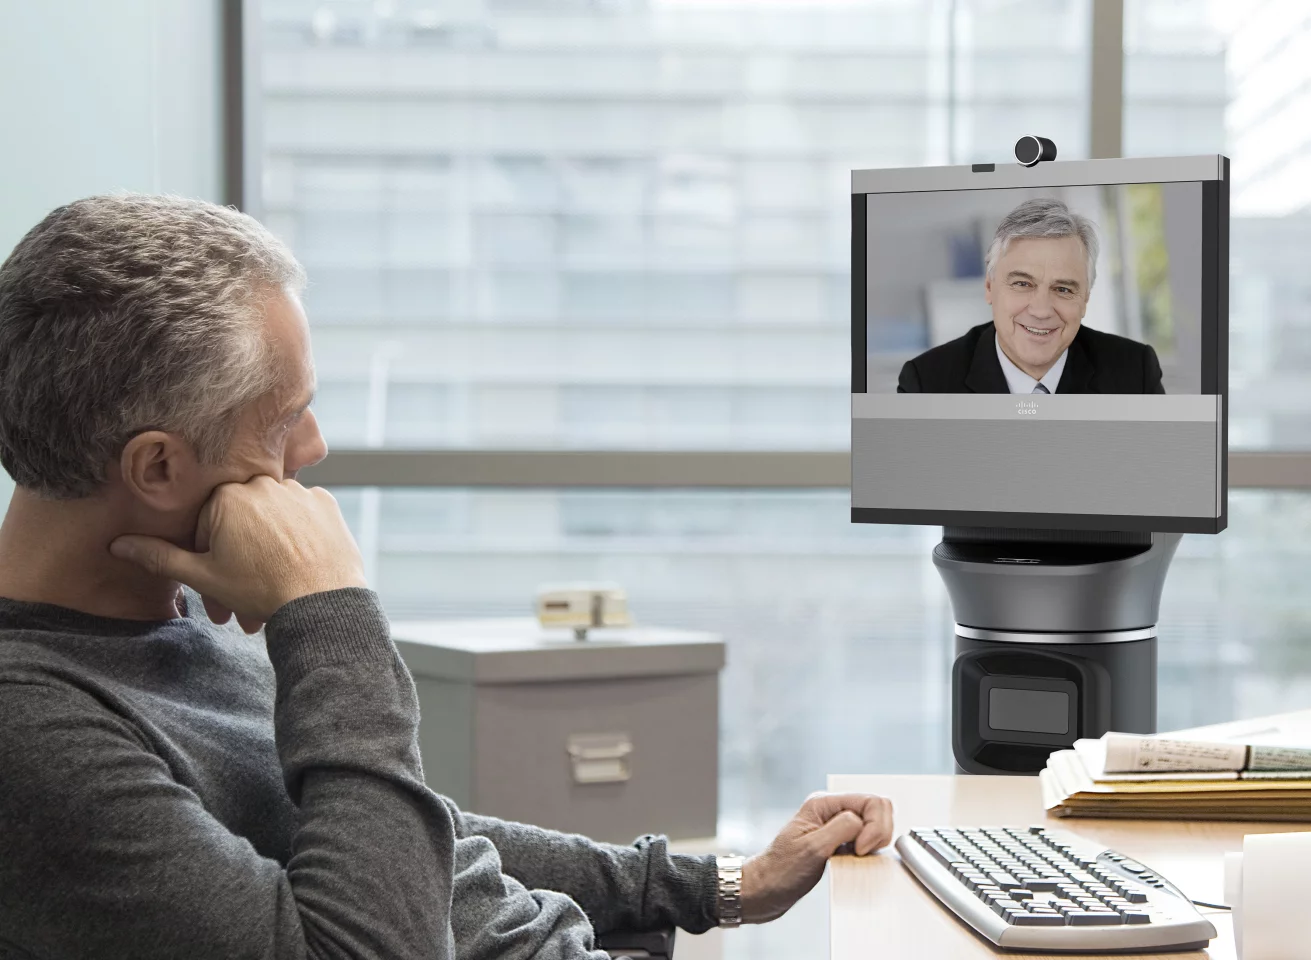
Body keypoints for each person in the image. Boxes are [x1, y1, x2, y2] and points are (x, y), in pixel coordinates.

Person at [0, 195, 894, 959]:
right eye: (286, 419)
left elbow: (395, 837)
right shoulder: (33, 734)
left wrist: (724, 885)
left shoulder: (177, 613)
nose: (315, 451)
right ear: (156, 470)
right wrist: (328, 614)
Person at [897, 198, 1165, 395]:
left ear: (1085, 299)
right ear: (989, 287)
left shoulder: (1134, 372)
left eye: (1063, 289)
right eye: (1023, 283)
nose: (1041, 310)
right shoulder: (926, 383)